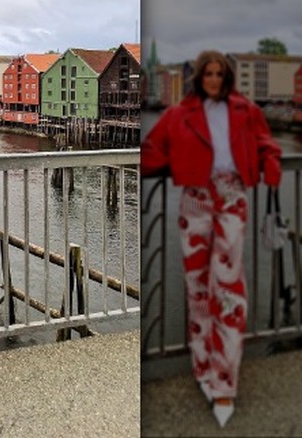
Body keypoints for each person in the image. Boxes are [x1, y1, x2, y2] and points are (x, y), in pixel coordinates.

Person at [141, 50, 282, 428]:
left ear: (227, 77)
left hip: (232, 197)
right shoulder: (178, 114)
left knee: (229, 287)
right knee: (197, 288)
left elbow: (266, 144)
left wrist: (270, 167)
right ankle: (202, 367)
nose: (215, 79)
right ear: (199, 77)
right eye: (209, 73)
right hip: (196, 200)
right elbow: (152, 151)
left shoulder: (244, 110)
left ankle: (225, 383)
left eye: (221, 73)